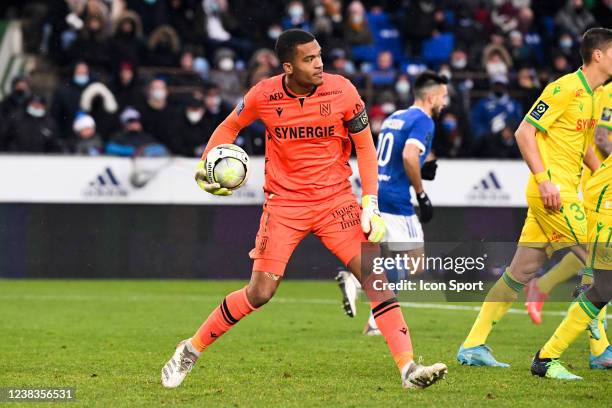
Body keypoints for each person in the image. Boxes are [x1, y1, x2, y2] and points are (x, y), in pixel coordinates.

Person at [161, 29, 447, 390]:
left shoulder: (343, 91)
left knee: (375, 279)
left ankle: (408, 369)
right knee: (260, 293)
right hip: (285, 205)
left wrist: (369, 201)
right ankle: (190, 348)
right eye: (309, 59)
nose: (319, 63)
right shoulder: (263, 95)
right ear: (288, 66)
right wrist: (208, 160)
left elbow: (365, 148)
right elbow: (230, 126)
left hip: (336, 201)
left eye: (319, 55)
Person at [456, 28, 611, 375]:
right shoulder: (564, 88)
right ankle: (579, 353)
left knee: (519, 273)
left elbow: (584, 149)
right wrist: (544, 181)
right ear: (598, 55)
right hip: (555, 194)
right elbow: (524, 131)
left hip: (566, 192)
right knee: (601, 266)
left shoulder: (592, 95)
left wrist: (604, 179)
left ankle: (473, 344)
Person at [337, 71, 448, 335]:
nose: (445, 102)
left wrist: (424, 164)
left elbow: (397, 154)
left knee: (390, 260)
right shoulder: (424, 120)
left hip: (376, 191)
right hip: (398, 200)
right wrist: (421, 192)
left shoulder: (396, 116)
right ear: (431, 97)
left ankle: (375, 324)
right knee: (415, 264)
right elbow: (409, 155)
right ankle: (355, 278)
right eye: (443, 97)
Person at [531, 76, 612, 379]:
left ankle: (550, 355)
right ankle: (547, 357)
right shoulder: (586, 91)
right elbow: (601, 139)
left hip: (601, 195)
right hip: (605, 204)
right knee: (603, 287)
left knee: (602, 287)